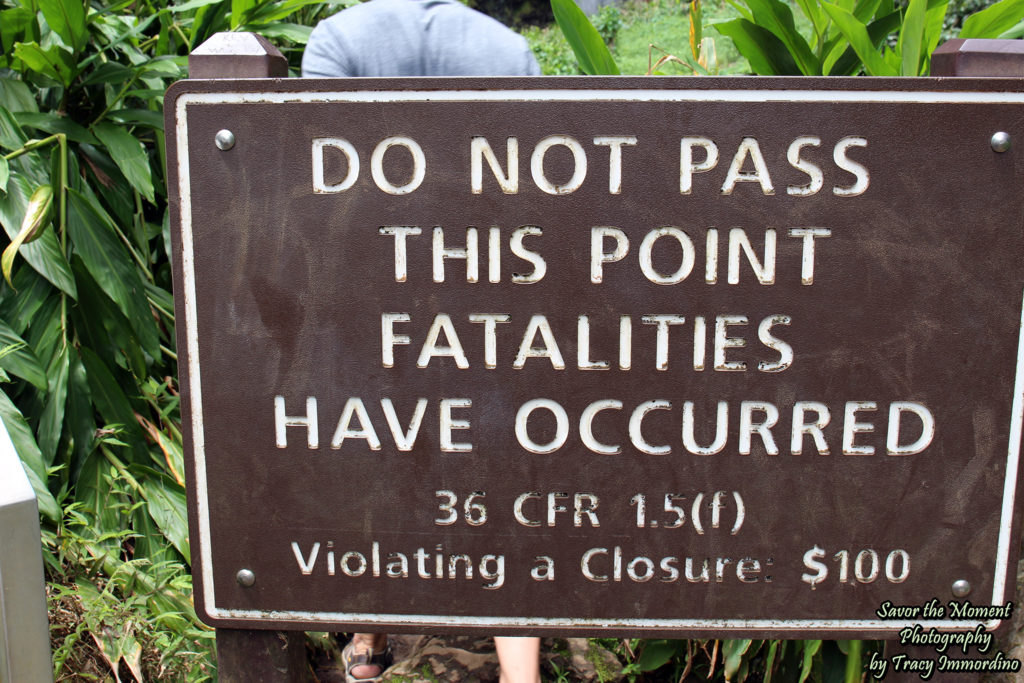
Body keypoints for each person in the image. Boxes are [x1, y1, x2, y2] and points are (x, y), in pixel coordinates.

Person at [302, 2, 542, 681]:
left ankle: (371, 646)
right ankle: (520, 672)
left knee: (380, 449)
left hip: (374, 304)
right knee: (505, 470)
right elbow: (539, 192)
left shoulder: (336, 41)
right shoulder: (508, 50)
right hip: (493, 303)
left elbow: (324, 184)